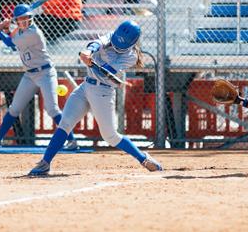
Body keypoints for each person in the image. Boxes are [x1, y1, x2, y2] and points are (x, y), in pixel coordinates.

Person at [28, 20, 163, 176]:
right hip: (85, 87)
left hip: (103, 92)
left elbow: (107, 71)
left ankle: (143, 158)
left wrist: (92, 64)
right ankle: (45, 163)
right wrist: (88, 51)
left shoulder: (130, 56)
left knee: (110, 136)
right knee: (65, 123)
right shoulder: (112, 36)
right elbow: (96, 43)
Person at [0, 4, 78, 150]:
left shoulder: (34, 33)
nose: (25, 20)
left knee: (52, 109)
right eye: (22, 18)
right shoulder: (20, 32)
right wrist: (7, 28)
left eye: (27, 17)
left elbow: (9, 43)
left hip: (45, 73)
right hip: (30, 75)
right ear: (17, 20)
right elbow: (12, 37)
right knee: (14, 109)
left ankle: (72, 141)